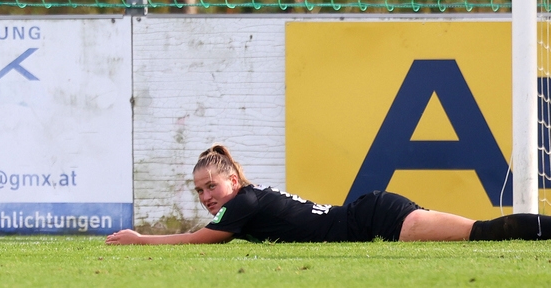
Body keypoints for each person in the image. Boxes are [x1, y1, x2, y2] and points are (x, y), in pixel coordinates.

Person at [106, 144, 551, 245]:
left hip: (376, 218)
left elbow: (200, 240)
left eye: (212, 186)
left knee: (484, 233)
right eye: (200, 190)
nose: (206, 195)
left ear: (234, 183)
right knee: (482, 233)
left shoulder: (241, 203)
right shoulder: (244, 202)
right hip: (370, 214)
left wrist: (141, 240)